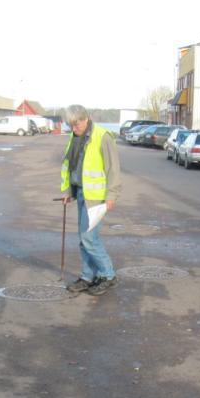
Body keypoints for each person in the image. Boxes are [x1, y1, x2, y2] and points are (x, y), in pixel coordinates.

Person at [60, 104, 122, 296]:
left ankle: (108, 275)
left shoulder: (103, 137)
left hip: (97, 199)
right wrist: (68, 190)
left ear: (85, 118)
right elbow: (71, 166)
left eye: (77, 123)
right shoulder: (74, 137)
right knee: (84, 239)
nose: (74, 128)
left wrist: (112, 196)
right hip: (80, 193)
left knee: (89, 238)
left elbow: (113, 169)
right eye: (71, 124)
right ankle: (88, 277)